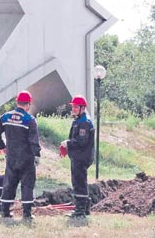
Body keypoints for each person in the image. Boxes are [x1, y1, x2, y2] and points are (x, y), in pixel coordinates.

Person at [0, 90, 40, 222]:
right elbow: (33, 141)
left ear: (17, 101)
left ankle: (5, 212)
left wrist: (2, 147)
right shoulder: (29, 120)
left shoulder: (5, 117)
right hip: (26, 159)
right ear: (28, 104)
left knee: (9, 183)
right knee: (27, 185)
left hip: (11, 157)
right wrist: (37, 156)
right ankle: (27, 214)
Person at [60, 95, 95, 223]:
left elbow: (82, 141)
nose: (73, 109)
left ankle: (80, 211)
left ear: (82, 108)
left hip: (81, 157)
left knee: (78, 182)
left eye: (76, 107)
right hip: (78, 157)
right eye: (73, 106)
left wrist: (67, 143)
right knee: (80, 181)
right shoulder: (79, 120)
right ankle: (84, 208)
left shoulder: (84, 122)